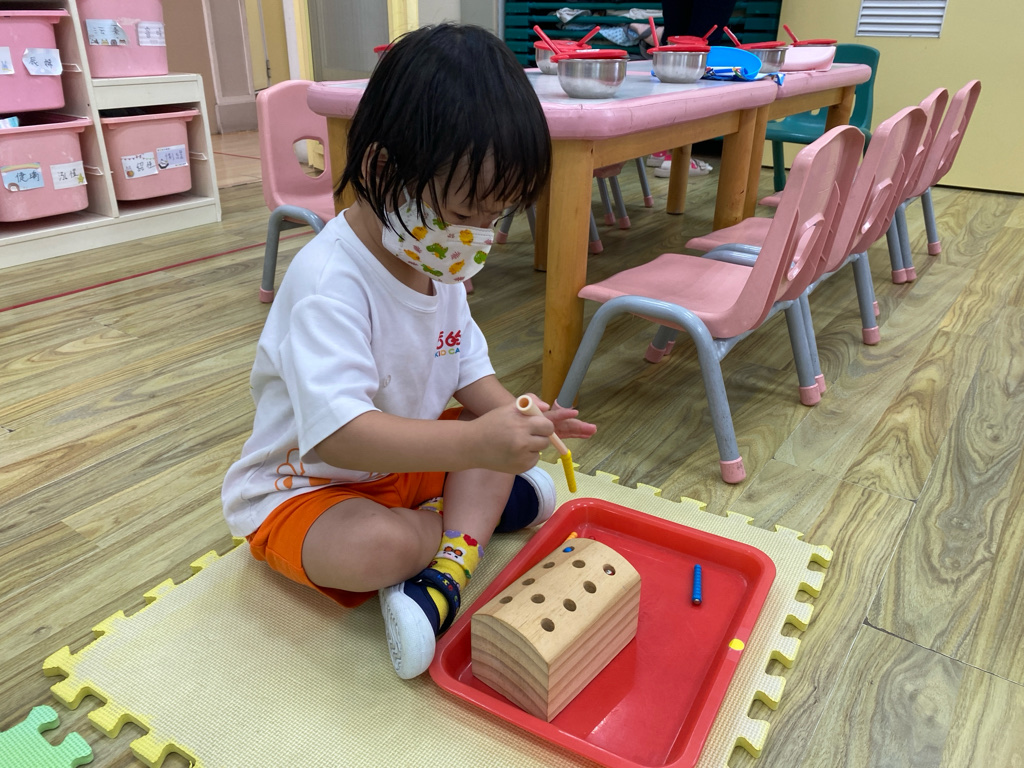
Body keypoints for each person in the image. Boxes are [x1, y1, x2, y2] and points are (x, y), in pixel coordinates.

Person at [221, 24, 596, 681]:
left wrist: (520, 417)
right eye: (466, 212)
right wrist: (479, 447)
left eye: (497, 216)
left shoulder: (436, 260)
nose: (479, 236)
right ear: (379, 170)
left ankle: (449, 562)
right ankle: (462, 533)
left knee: (489, 437)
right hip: (309, 486)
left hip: (406, 465)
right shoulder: (328, 282)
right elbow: (341, 437)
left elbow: (467, 367)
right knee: (377, 547)